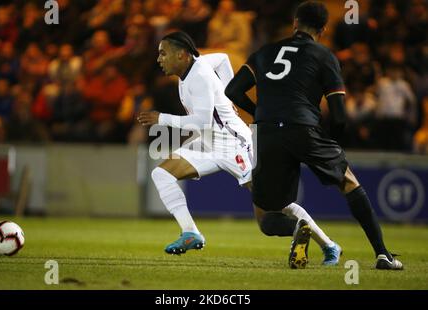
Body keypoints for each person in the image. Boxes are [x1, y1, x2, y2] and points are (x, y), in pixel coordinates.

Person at [138, 31, 342, 268]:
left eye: (163, 53)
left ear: (182, 54)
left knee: (275, 206)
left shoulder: (200, 76)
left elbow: (202, 121)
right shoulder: (198, 65)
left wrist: (161, 118)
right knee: (162, 173)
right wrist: (227, 96)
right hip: (208, 143)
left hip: (234, 144)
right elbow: (223, 59)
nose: (158, 59)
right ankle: (190, 232)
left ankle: (329, 245)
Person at [225, 1, 403, 270]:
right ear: (323, 28)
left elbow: (233, 91)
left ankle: (300, 225)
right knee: (348, 182)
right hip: (304, 128)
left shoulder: (265, 52)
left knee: (266, 218)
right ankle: (382, 255)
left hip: (268, 132)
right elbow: (340, 115)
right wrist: (330, 142)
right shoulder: (324, 56)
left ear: (295, 23)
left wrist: (261, 112)